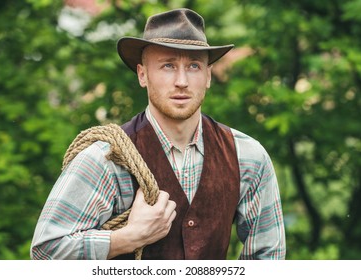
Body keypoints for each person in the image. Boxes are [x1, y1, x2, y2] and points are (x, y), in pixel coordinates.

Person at [30, 8, 286, 260]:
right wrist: (127, 238)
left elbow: (268, 258)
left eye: (194, 66)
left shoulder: (247, 157)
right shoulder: (107, 158)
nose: (182, 81)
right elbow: (46, 251)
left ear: (208, 76)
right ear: (143, 75)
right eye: (167, 66)